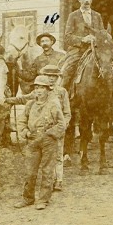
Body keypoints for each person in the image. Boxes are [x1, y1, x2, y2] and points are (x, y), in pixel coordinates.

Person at [11, 76, 67, 210]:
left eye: (42, 88)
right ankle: (28, 198)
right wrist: (25, 132)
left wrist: (50, 133)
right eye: (36, 88)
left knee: (47, 170)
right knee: (30, 171)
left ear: (48, 90)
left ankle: (43, 199)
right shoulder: (30, 104)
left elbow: (61, 124)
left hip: (48, 141)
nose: (39, 91)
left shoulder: (53, 104)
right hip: (33, 140)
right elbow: (21, 121)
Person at [60, 0, 105, 94]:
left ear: (92, 0)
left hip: (95, 51)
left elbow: (103, 34)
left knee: (112, 72)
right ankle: (61, 96)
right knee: (66, 71)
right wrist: (83, 39)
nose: (86, 0)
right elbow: (67, 37)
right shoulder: (73, 16)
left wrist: (98, 38)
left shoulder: (97, 16)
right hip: (78, 52)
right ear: (79, 0)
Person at [39, 63, 72, 191]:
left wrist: (62, 126)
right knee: (46, 156)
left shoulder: (62, 92)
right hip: (43, 129)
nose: (51, 78)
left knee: (58, 155)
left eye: (54, 76)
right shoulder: (40, 91)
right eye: (48, 76)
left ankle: (59, 180)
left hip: (57, 128)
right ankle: (48, 180)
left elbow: (67, 112)